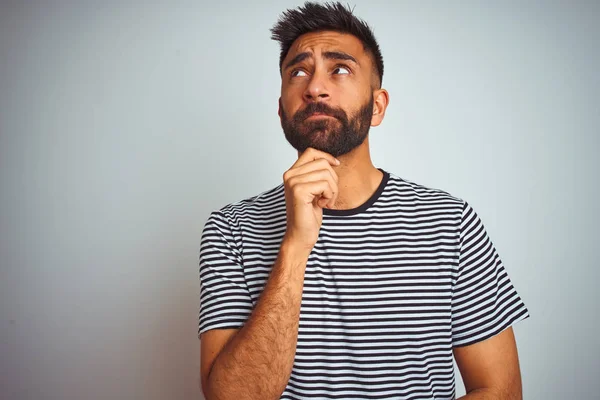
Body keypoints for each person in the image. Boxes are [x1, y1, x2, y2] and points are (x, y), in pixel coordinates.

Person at [198, 2, 529, 399]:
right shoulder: (230, 229)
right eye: (298, 72)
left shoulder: (450, 223)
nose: (314, 87)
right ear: (281, 110)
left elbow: (500, 389)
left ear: (377, 106)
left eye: (339, 69)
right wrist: (295, 245)